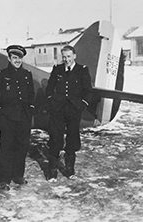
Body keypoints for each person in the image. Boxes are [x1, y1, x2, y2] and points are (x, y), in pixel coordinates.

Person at [0, 45, 35, 191]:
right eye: (14, 58)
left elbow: (31, 95)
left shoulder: (27, 74)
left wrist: (31, 109)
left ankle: (18, 175)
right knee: (6, 148)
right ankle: (3, 179)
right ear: (9, 58)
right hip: (7, 118)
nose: (17, 60)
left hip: (23, 117)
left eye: (19, 58)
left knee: (21, 147)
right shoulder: (1, 74)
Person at [45, 45, 93, 182]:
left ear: (74, 56)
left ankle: (70, 170)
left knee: (72, 139)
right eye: (64, 57)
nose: (66, 60)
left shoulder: (82, 70)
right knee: (55, 139)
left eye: (69, 57)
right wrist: (50, 101)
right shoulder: (57, 69)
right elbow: (50, 87)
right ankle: (52, 172)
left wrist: (83, 104)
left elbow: (88, 91)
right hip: (58, 110)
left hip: (73, 110)